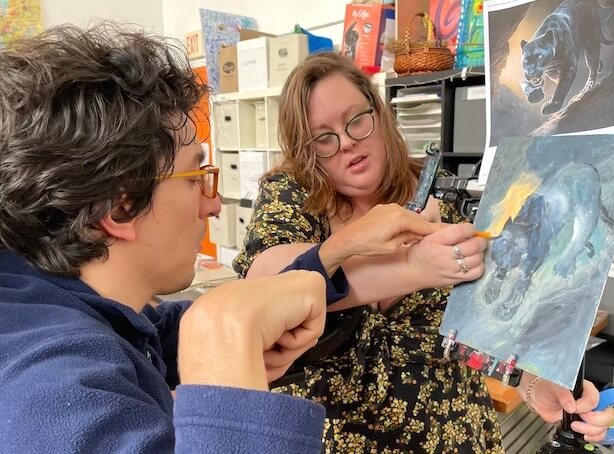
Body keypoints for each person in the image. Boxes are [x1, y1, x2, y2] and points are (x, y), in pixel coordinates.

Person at [0, 24, 448, 453]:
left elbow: (162, 332)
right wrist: (224, 345)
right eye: (197, 177)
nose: (213, 206)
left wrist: (244, 324)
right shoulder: (54, 391)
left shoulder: (70, 307)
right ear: (120, 208)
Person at [233, 52, 614, 452]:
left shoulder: (441, 191)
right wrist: (411, 264)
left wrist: (532, 380)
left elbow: (475, 326)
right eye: (323, 138)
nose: (346, 142)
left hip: (453, 434)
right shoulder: (293, 194)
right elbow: (265, 277)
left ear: (378, 111)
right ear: (306, 149)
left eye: (355, 121)